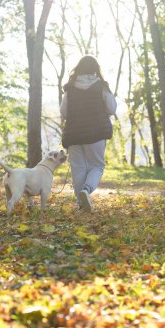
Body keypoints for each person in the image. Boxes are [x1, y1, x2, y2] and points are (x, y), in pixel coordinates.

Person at [60, 55, 117, 211]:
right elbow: (112, 109)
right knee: (97, 165)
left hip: (74, 133)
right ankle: (87, 190)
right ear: (95, 69)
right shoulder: (101, 86)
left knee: (78, 168)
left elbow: (63, 112)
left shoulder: (70, 87)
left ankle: (81, 202)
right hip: (96, 132)